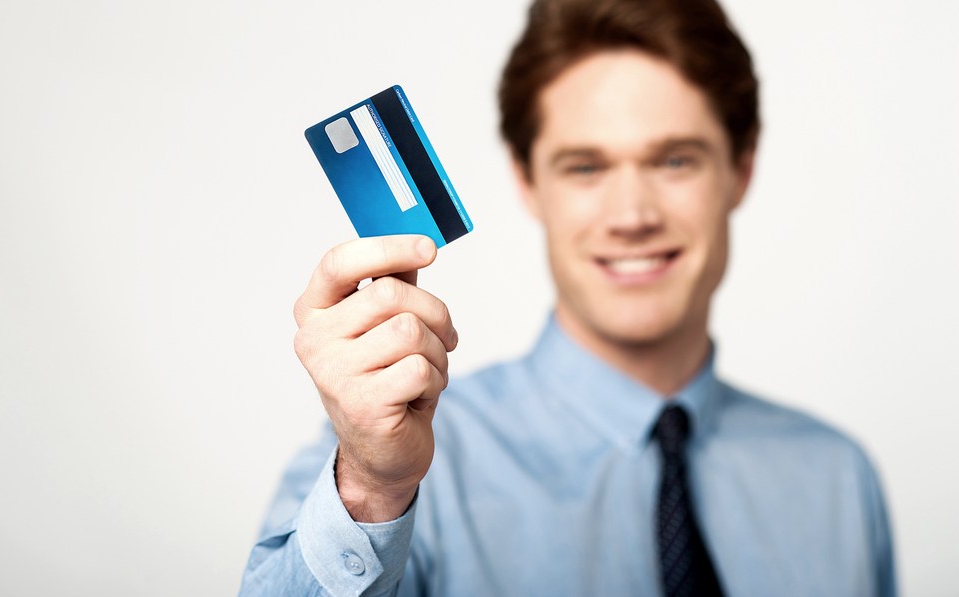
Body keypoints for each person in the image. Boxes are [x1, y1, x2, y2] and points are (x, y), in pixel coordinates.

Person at [240, 0, 896, 594]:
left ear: (741, 169)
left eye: (675, 160)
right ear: (528, 181)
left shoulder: (837, 479)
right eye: (585, 166)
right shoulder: (395, 461)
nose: (632, 215)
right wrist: (372, 489)